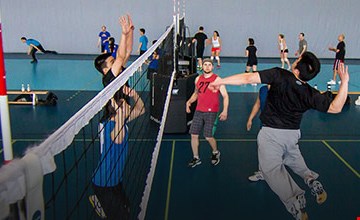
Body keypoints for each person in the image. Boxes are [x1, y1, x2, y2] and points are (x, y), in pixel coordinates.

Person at [209, 51, 349, 220]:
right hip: (292, 135)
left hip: (271, 134)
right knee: (292, 158)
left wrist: (221, 81)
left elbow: (248, 78)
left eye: (297, 60)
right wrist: (345, 82)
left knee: (271, 171)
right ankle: (311, 180)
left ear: (297, 70)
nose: (294, 61)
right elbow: (336, 108)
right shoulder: (310, 93)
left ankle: (294, 200)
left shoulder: (279, 75)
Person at [91, 86, 145, 220]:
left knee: (126, 206)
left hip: (116, 180)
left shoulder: (121, 121)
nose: (129, 107)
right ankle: (101, 201)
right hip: (104, 182)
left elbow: (141, 110)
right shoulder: (110, 126)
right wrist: (117, 108)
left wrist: (134, 94)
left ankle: (102, 204)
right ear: (117, 111)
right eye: (126, 106)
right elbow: (118, 138)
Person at [186, 58, 229, 168]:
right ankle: (196, 158)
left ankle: (215, 152)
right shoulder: (198, 79)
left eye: (209, 65)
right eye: (205, 65)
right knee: (194, 135)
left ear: (212, 67)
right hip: (198, 110)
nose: (207, 67)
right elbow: (196, 93)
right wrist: (189, 102)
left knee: (208, 136)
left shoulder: (218, 79)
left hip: (211, 111)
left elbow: (225, 96)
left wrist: (225, 110)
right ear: (202, 66)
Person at [94, 15, 134, 88]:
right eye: (112, 62)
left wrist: (130, 31)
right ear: (105, 70)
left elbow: (128, 51)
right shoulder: (108, 79)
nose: (116, 62)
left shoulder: (119, 70)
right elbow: (120, 58)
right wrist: (124, 34)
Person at [246, 85, 269, 182]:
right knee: (263, 148)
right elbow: (258, 104)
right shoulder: (263, 89)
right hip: (264, 123)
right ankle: (263, 172)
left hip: (278, 124)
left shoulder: (283, 89)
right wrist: (250, 118)